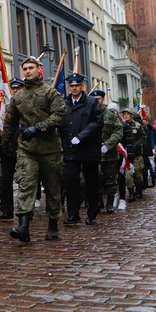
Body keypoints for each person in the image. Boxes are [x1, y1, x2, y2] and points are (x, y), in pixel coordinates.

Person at [2, 56, 66, 243]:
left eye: (31, 68)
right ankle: (23, 226)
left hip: (50, 149)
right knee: (26, 185)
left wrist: (38, 127)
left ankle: (53, 223)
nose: (28, 71)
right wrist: (6, 143)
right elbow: (10, 122)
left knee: (52, 188)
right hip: (27, 149)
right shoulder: (18, 96)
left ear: (39, 69)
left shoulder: (50, 93)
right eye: (25, 69)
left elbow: (60, 115)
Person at [61, 74, 103, 225]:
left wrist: (81, 136)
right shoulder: (64, 103)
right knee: (71, 181)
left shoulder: (92, 102)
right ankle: (73, 214)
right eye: (71, 86)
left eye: (77, 85)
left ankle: (92, 212)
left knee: (91, 182)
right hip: (71, 149)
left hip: (89, 149)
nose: (74, 88)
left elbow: (97, 122)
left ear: (82, 86)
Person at [89, 90, 123, 213]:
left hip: (110, 155)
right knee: (95, 179)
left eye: (98, 99)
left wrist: (108, 145)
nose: (96, 101)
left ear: (103, 99)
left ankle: (110, 203)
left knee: (110, 180)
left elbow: (118, 131)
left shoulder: (110, 115)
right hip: (93, 153)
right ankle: (98, 203)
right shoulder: (88, 114)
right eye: (94, 99)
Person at [0, 77, 25, 220]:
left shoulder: (27, 105)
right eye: (13, 88)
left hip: (23, 147)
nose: (15, 91)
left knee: (25, 180)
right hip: (7, 147)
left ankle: (26, 210)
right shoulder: (5, 106)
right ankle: (7, 209)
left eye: (18, 88)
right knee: (5, 180)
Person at [121, 108, 146, 199]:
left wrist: (134, 145)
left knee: (138, 176)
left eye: (128, 114)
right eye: (124, 114)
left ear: (131, 115)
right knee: (128, 176)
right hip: (126, 155)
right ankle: (131, 193)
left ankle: (139, 190)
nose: (126, 116)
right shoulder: (121, 126)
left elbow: (143, 138)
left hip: (137, 155)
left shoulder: (138, 126)